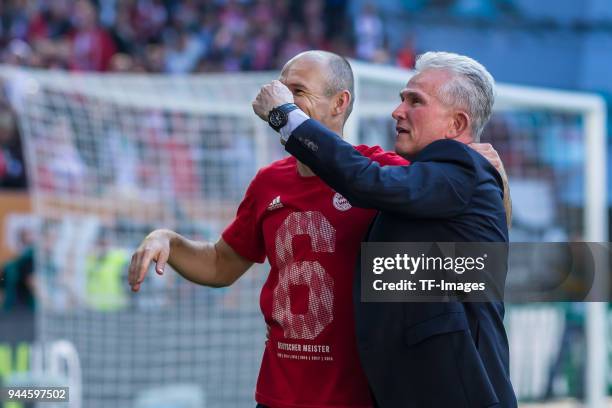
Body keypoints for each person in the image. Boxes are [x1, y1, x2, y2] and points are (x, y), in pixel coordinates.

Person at [130, 50, 509, 408]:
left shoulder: (391, 174)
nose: (280, 97)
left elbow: (481, 247)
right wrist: (169, 240)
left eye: (297, 92)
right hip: (279, 393)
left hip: (361, 395)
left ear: (340, 103)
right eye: (280, 88)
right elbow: (220, 263)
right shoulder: (269, 182)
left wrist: (494, 180)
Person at [252, 51, 517, 407]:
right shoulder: (429, 182)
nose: (398, 111)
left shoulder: (461, 168)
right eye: (401, 99)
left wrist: (285, 116)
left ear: (456, 125)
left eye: (415, 101)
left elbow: (364, 179)